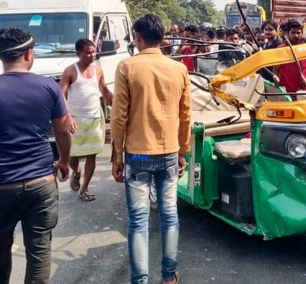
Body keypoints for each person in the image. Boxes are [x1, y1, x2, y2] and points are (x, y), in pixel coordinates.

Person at [111, 14, 191, 284]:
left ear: (140, 37)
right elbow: (186, 115)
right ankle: (169, 277)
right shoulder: (178, 69)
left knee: (139, 222)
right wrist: (183, 152)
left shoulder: (127, 67)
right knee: (169, 216)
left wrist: (116, 156)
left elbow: (119, 116)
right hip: (169, 152)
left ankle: (140, 280)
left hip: (138, 153)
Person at [0, 27, 71, 283]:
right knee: (39, 252)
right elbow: (63, 131)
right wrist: (64, 161)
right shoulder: (48, 87)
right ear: (29, 54)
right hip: (41, 183)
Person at [59, 38, 113, 201]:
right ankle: (76, 172)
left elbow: (104, 90)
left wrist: (116, 101)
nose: (92, 55)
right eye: (88, 52)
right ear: (78, 53)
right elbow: (61, 96)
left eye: (93, 51)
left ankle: (84, 188)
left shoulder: (98, 70)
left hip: (95, 118)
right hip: (75, 120)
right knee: (72, 156)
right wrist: (67, 116)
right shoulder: (70, 71)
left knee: (92, 155)